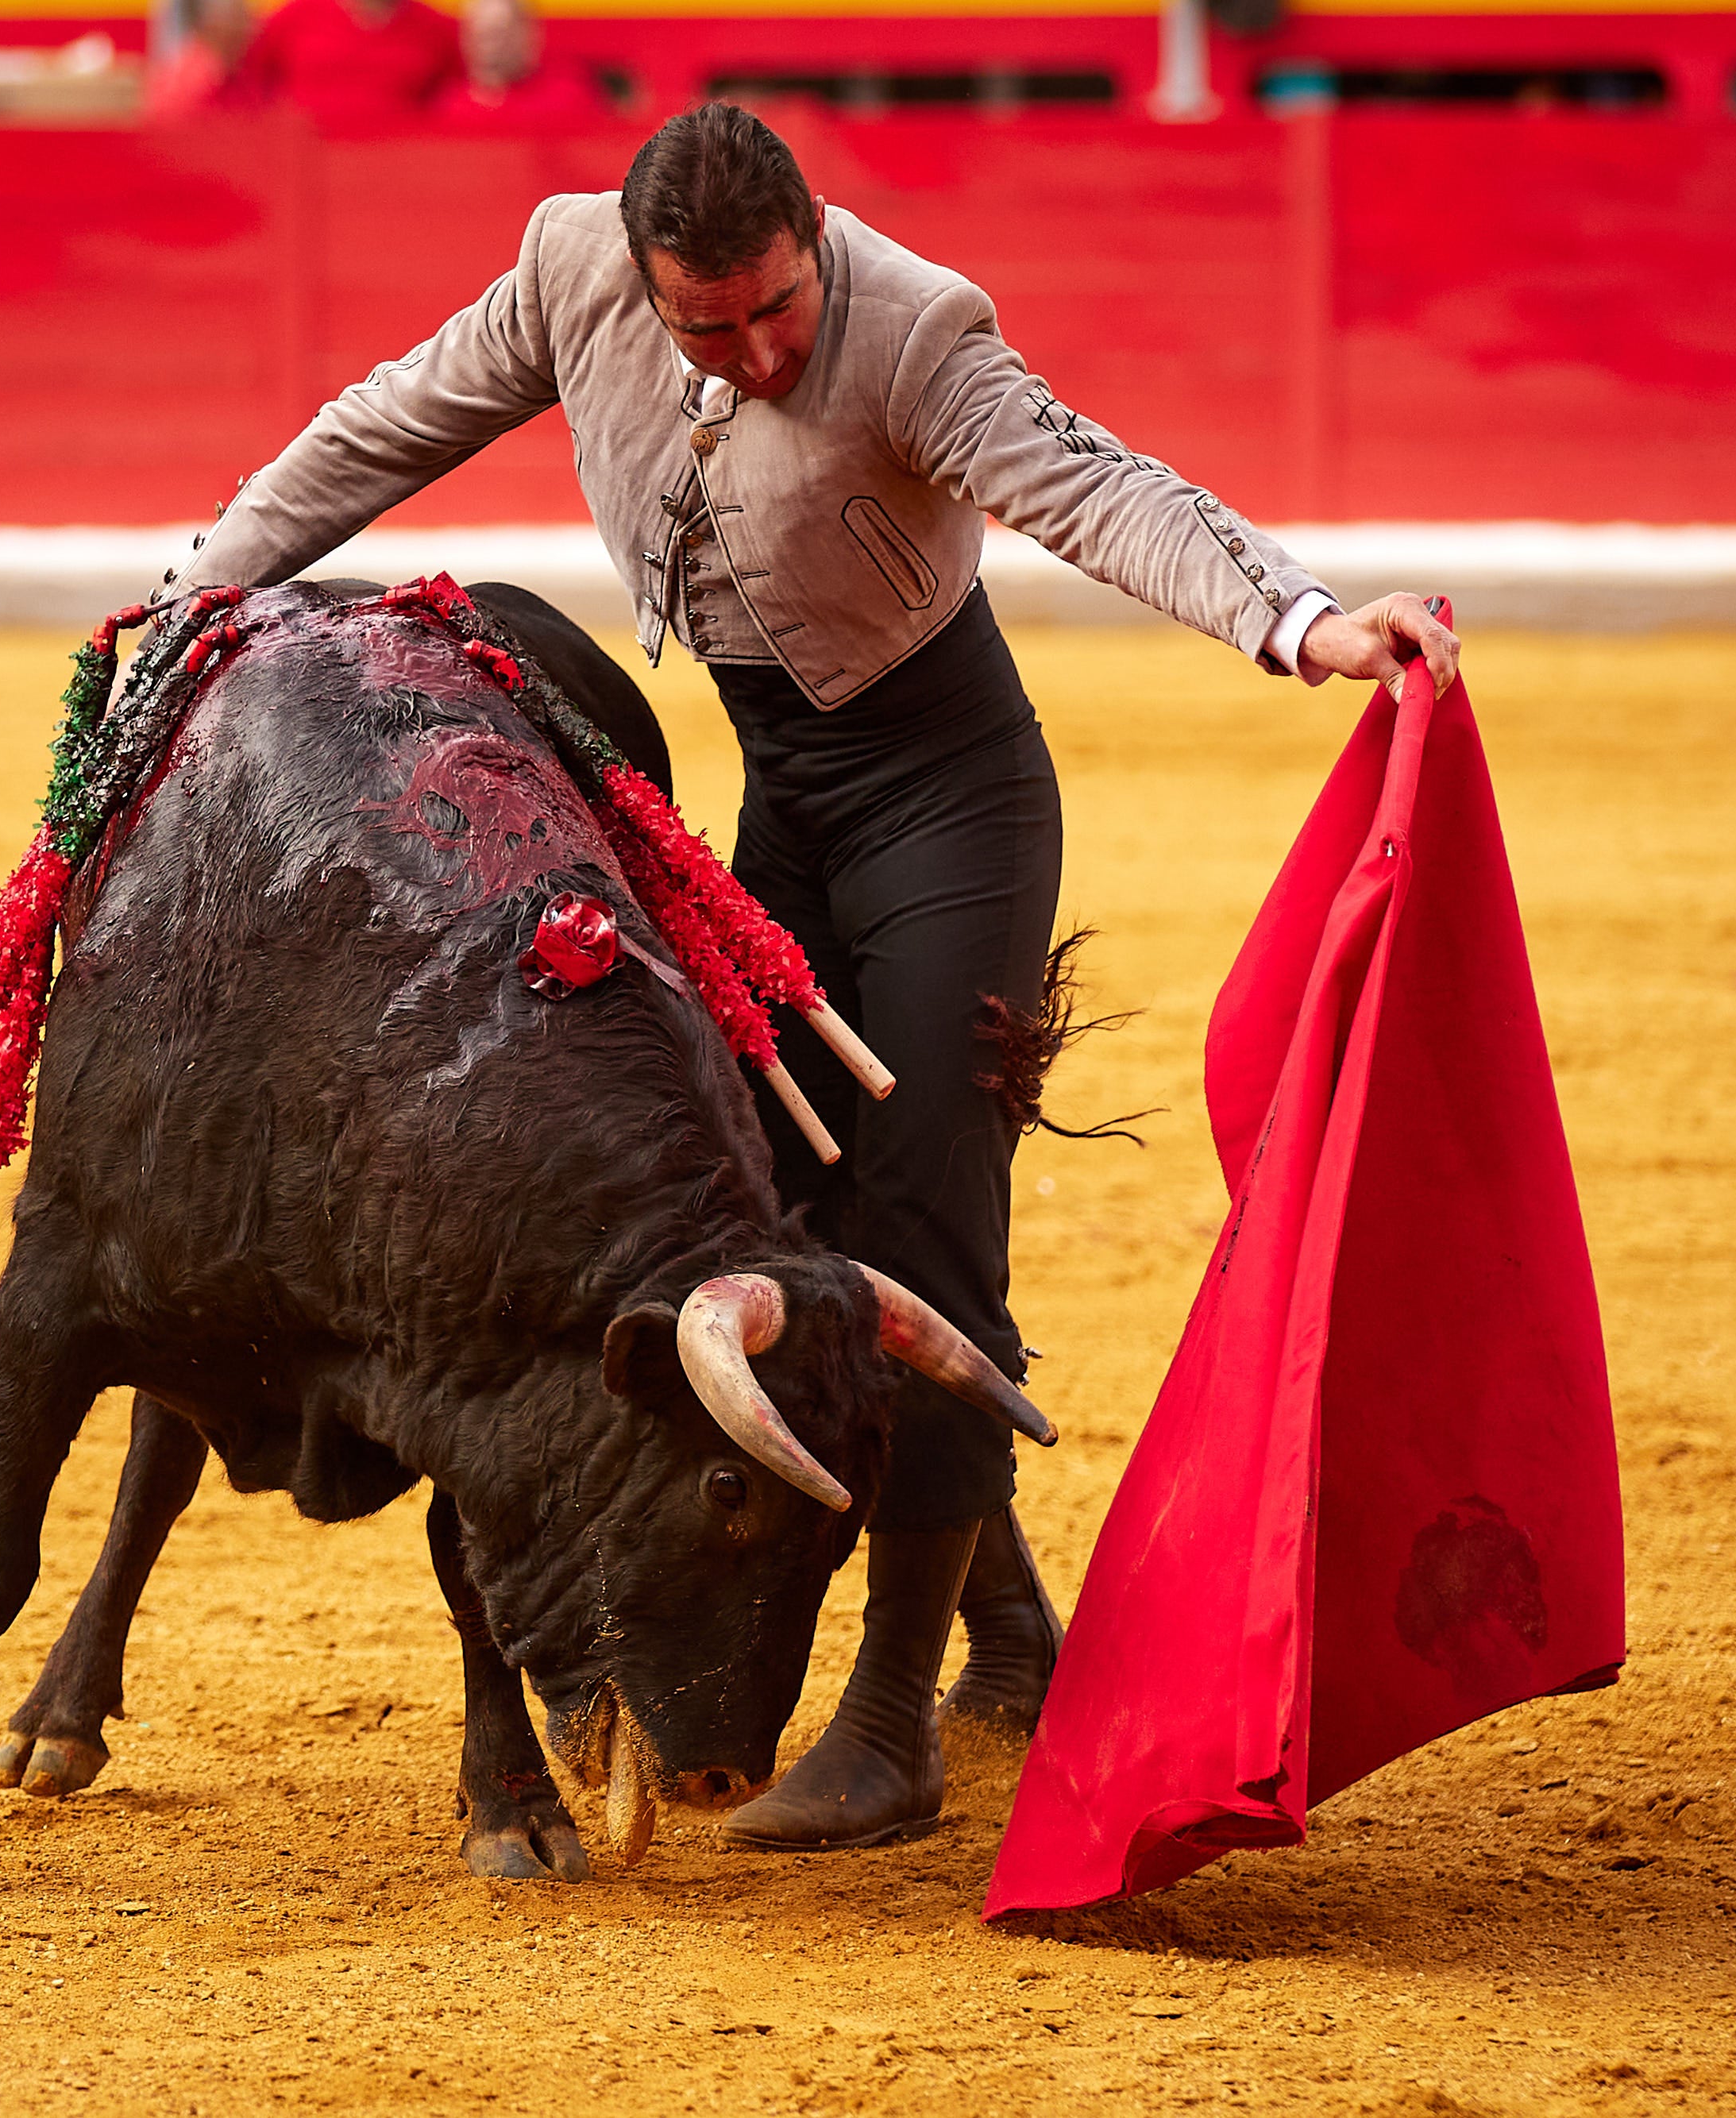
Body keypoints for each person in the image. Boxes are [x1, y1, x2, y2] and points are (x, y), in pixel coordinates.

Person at [162, 102, 1459, 1851]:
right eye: (713, 325)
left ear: (810, 244)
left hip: (949, 804)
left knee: (919, 1224)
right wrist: (201, 582)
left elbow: (1098, 485)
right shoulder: (567, 273)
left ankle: (886, 1723)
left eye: (778, 308)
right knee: (766, 1208)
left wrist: (1298, 620)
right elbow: (388, 426)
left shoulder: (913, 326)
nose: (758, 351)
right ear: (645, 280)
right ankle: (1006, 1623)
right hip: (778, 800)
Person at [228, 0, 457, 126]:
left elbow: (470, 97)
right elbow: (246, 88)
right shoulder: (293, 17)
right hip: (304, 179)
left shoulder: (441, 30)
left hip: (399, 176)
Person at [430, 0, 604, 122]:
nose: (489, 45)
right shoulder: (450, 107)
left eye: (498, 33)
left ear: (525, 33)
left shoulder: (567, 99)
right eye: (481, 34)